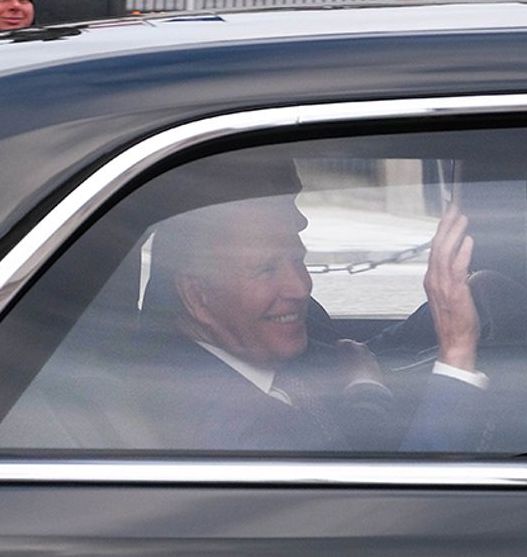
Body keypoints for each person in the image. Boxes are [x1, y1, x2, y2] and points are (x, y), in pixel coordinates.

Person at [130, 166, 490, 453]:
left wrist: (462, 303)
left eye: (298, 261)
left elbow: (349, 356)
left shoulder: (241, 344)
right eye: (265, 269)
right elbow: (401, 515)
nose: (301, 286)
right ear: (197, 296)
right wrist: (457, 351)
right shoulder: (233, 436)